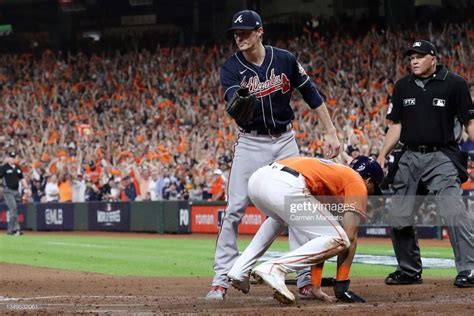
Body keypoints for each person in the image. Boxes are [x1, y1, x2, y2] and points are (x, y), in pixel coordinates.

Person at [206, 9, 341, 300]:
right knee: (233, 211)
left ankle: (304, 279)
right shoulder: (231, 68)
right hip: (251, 143)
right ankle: (221, 279)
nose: (239, 38)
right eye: (236, 34)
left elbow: (312, 95)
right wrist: (236, 101)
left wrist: (330, 132)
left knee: (296, 207)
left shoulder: (285, 60)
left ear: (259, 32)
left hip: (284, 141)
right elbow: (233, 99)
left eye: (245, 32)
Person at [377, 40, 474, 287]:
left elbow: (469, 123)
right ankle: (409, 270)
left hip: (442, 156)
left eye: (419, 57)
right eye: (411, 58)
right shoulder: (402, 86)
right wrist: (381, 154)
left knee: (453, 210)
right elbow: (396, 125)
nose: (414, 61)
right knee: (398, 214)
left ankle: (469, 269)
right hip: (409, 156)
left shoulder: (455, 84)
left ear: (433, 58)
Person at [227, 156, 383, 304]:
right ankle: (274, 268)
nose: (370, 196)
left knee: (278, 220)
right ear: (369, 181)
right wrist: (341, 285)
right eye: (373, 191)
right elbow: (350, 237)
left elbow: (321, 240)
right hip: (285, 184)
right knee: (341, 239)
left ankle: (240, 268)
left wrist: (315, 286)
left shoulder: (334, 178)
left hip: (259, 179)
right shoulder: (357, 182)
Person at [0, 151, 27, 236]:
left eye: (13, 157)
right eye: (11, 157)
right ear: (8, 158)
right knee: (13, 208)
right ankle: (12, 230)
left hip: (16, 192)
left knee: (14, 210)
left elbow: (22, 178)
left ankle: (15, 229)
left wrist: (26, 187)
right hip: (8, 191)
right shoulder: (4, 167)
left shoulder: (17, 167)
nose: (12, 159)